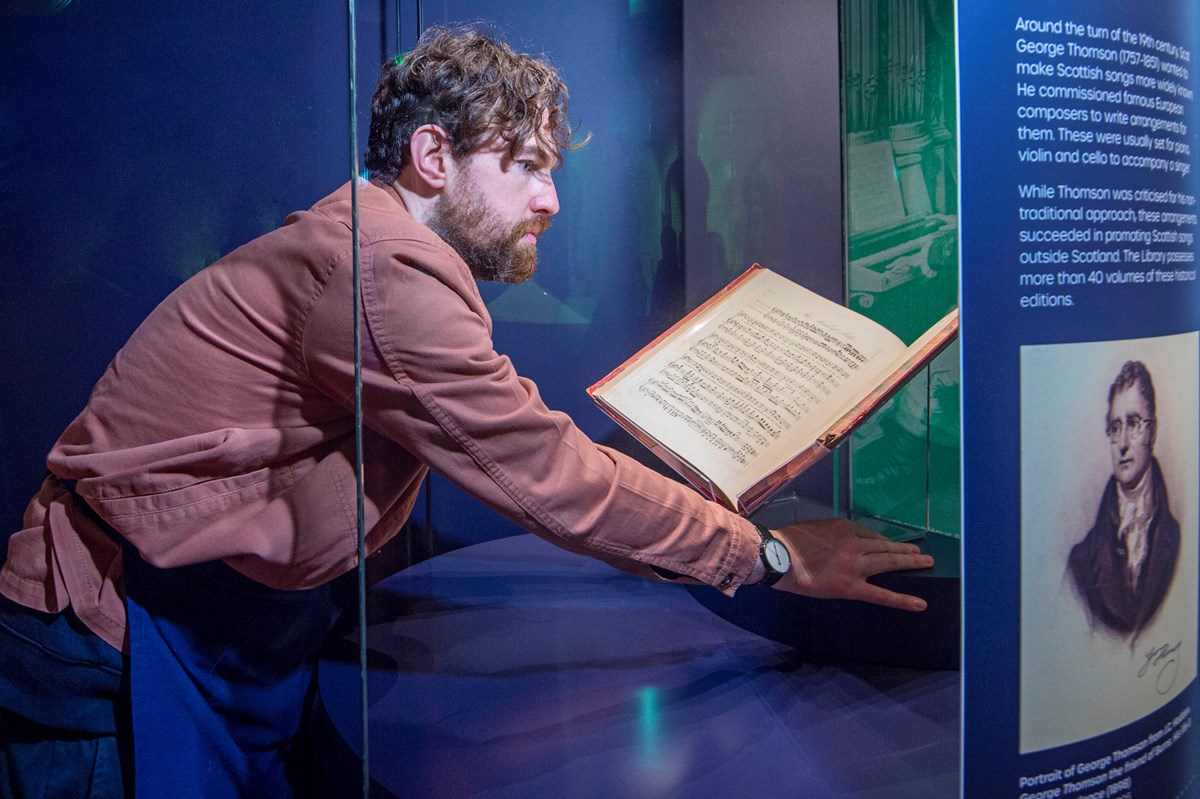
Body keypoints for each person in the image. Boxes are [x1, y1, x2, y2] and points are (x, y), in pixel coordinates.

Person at [0, 24, 933, 798]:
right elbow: (544, 472)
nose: (552, 198)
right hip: (109, 642)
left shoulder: (373, 244)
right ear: (433, 156)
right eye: (526, 165)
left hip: (213, 624)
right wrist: (767, 555)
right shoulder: (382, 267)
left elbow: (502, 443)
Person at [1067, 360, 1180, 641]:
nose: (1124, 442)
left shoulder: (1175, 535)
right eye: (1115, 427)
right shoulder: (1081, 560)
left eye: (1134, 423)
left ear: (1151, 431)